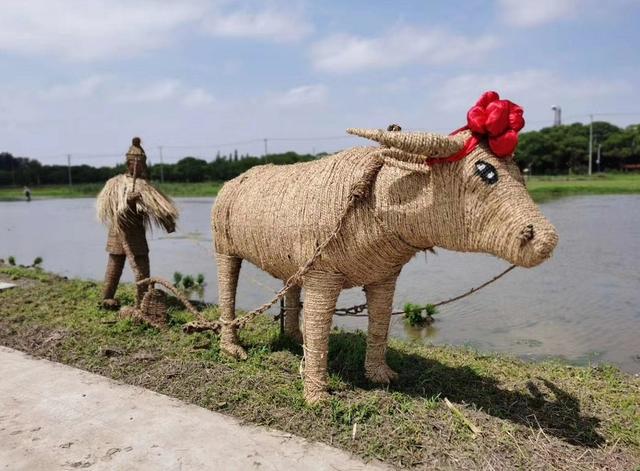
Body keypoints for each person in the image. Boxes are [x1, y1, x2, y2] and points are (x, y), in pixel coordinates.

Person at [97, 137, 178, 310]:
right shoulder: (115, 184)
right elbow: (112, 208)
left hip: (136, 233)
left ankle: (143, 301)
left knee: (142, 267)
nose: (138, 166)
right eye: (135, 162)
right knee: (114, 266)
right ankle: (107, 296)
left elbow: (159, 206)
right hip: (118, 232)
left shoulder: (144, 185)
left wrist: (168, 222)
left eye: (140, 163)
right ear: (128, 162)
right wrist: (128, 201)